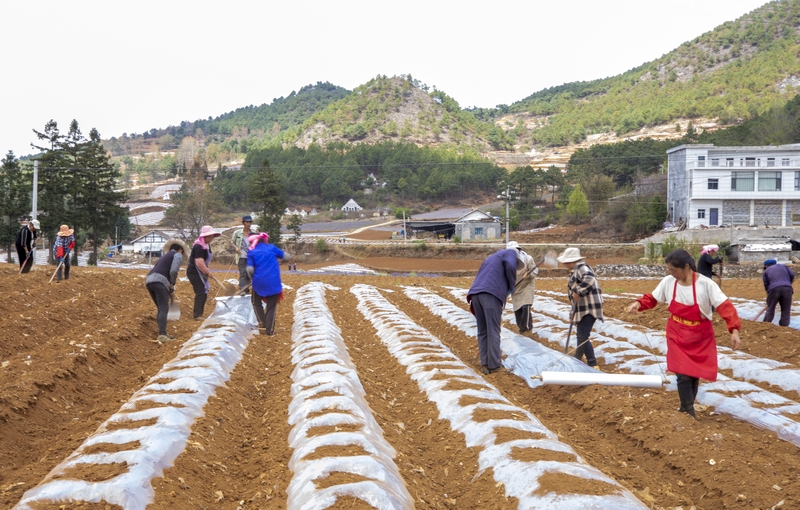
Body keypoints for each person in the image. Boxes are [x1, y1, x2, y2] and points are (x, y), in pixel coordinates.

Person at [626, 249, 741, 418]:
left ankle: (687, 408)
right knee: (683, 374)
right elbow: (653, 298)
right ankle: (687, 410)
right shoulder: (668, 282)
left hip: (700, 334)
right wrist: (638, 304)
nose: (672, 274)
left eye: (674, 270)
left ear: (687, 267)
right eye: (670, 270)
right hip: (677, 332)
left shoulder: (706, 284)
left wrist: (734, 330)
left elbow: (725, 307)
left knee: (694, 374)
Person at [466, 247, 524, 375]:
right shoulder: (511, 253)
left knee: (483, 330)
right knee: (493, 329)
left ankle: (485, 363)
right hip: (490, 294)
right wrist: (511, 286)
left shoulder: (492, 258)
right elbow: (509, 265)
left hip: (476, 293)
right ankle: (495, 365)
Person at [558, 247, 603, 369]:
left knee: (583, 336)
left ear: (572, 260)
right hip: (582, 308)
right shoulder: (576, 270)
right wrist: (572, 313)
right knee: (580, 335)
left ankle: (593, 364)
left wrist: (578, 291)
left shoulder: (581, 267)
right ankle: (577, 359)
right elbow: (574, 296)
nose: (564, 264)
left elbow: (590, 278)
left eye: (566, 261)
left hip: (589, 308)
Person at [246, 232, 290, 335]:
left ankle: (262, 323)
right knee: (271, 307)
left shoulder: (251, 252)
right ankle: (269, 331)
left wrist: (253, 279)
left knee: (255, 302)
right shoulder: (272, 248)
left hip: (259, 282)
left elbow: (250, 270)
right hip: (273, 282)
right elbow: (286, 257)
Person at [145, 239, 187, 344]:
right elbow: (173, 270)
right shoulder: (177, 255)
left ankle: (162, 332)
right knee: (163, 308)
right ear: (180, 249)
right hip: (160, 281)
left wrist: (169, 286)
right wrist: (172, 284)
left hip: (149, 280)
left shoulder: (164, 256)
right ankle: (162, 335)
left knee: (161, 308)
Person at [187, 225, 220, 320]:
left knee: (204, 291)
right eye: (211, 236)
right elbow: (199, 262)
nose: (212, 238)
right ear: (206, 236)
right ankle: (197, 315)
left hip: (200, 271)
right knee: (201, 291)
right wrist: (207, 272)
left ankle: (200, 313)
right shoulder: (199, 247)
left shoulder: (206, 246)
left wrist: (206, 271)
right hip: (194, 271)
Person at [507, 241, 538, 334]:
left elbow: (535, 270)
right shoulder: (507, 262)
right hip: (515, 288)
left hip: (527, 286)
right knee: (518, 310)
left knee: (525, 306)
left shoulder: (528, 259)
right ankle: (522, 327)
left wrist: (529, 274)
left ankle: (526, 328)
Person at [762, 259, 795, 326]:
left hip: (774, 289)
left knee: (770, 308)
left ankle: (766, 324)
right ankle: (784, 327)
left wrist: (770, 296)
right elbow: (792, 275)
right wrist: (788, 283)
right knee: (786, 310)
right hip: (787, 288)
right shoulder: (784, 266)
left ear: (766, 266)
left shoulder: (766, 271)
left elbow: (766, 285)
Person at [230, 215, 254, 290]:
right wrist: (236, 248)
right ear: (243, 223)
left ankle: (246, 288)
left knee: (249, 273)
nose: (249, 224)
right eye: (247, 222)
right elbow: (232, 242)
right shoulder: (237, 233)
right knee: (243, 272)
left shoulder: (253, 233)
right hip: (241, 256)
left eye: (250, 222)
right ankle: (242, 289)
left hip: (250, 256)